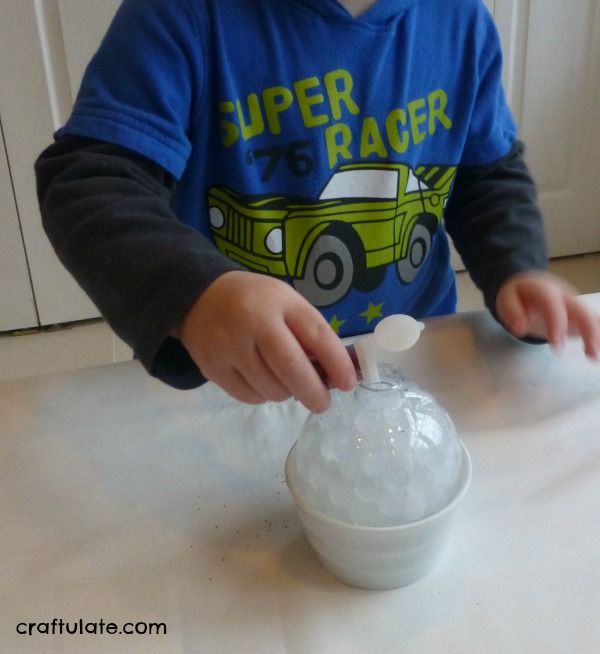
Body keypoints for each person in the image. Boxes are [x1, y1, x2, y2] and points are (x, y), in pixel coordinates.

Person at [35, 0, 599, 414]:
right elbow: (88, 180)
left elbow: (485, 174)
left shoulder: (461, 21)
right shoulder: (182, 15)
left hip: (408, 361)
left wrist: (516, 266)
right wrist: (197, 295)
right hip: (240, 376)